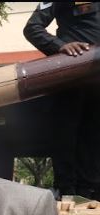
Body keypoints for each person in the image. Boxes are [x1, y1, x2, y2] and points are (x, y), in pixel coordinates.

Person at [24, 1, 100, 200]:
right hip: (72, 76)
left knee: (94, 138)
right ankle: (67, 191)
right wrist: (60, 46)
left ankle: (92, 192)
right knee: (67, 135)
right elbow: (32, 28)